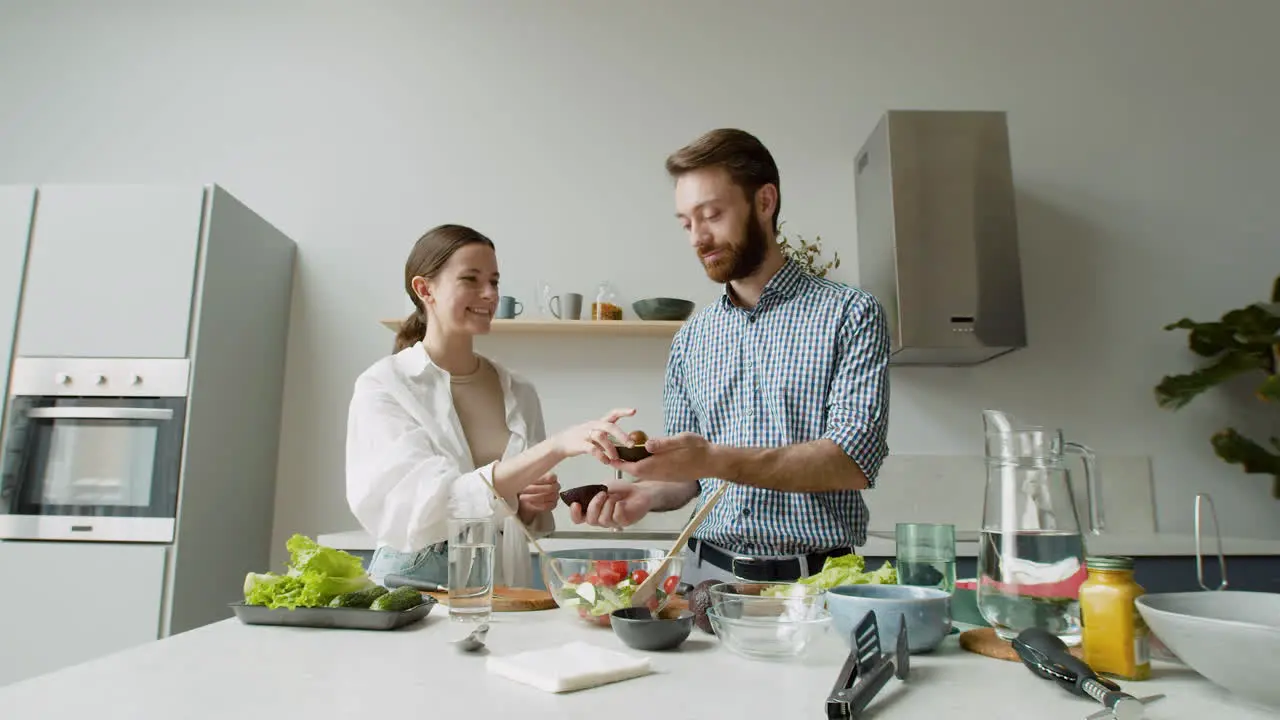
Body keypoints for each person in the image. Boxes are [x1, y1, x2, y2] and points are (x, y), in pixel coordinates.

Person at [569, 129, 892, 586]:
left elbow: (851, 462)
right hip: (704, 578)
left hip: (815, 584)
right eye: (686, 223)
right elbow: (690, 478)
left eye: (712, 215)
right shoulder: (691, 338)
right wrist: (645, 495)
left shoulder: (851, 314)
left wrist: (714, 458)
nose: (698, 237)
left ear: (764, 202)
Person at [346, 224, 636, 588]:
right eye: (471, 279)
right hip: (412, 591)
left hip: (498, 588)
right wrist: (557, 446)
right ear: (425, 289)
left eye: (495, 282)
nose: (489, 294)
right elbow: (431, 504)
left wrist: (530, 503)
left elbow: (512, 511)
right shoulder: (384, 386)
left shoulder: (519, 391)